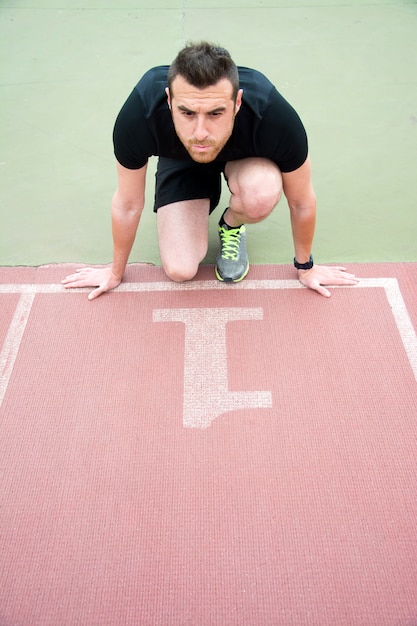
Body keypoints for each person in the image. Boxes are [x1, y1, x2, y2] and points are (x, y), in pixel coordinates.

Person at [62, 41, 358, 299]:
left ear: (237, 102)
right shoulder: (140, 112)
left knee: (261, 193)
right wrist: (115, 272)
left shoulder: (272, 114)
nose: (201, 132)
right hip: (180, 160)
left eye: (215, 113)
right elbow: (127, 204)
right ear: (169, 100)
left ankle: (231, 224)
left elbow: (301, 200)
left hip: (245, 157)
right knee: (180, 268)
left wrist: (306, 267)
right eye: (187, 113)